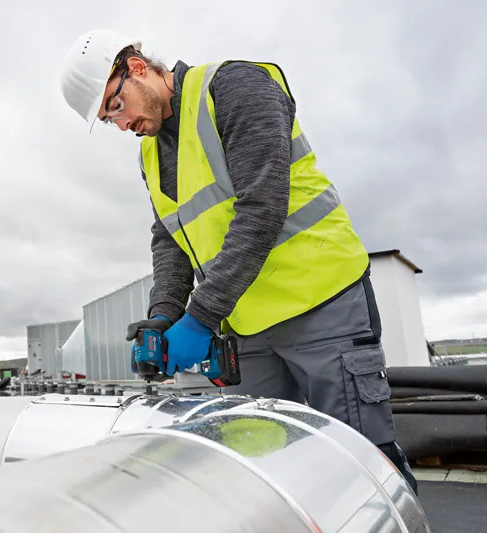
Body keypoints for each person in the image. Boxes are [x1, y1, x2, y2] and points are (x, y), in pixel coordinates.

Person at [59, 29, 418, 494]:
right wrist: (163, 316)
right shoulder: (150, 153)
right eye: (108, 120)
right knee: (267, 467)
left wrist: (199, 318)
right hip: (248, 327)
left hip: (322, 306)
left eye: (115, 104)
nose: (120, 123)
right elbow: (169, 239)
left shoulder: (233, 89)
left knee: (364, 464)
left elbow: (261, 209)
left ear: (137, 69)